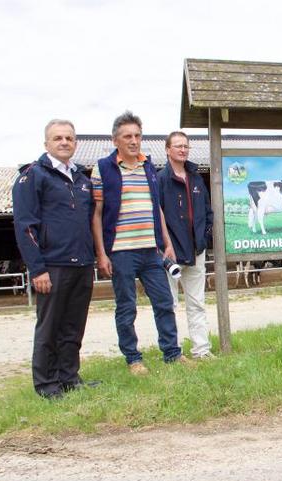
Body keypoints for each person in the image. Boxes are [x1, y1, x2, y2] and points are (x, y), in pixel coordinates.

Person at [91, 111, 190, 375]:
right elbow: (97, 213)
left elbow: (155, 206)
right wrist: (102, 253)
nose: (134, 141)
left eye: (137, 135)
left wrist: (166, 242)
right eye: (128, 137)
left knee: (164, 302)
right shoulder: (102, 168)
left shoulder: (148, 166)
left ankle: (172, 353)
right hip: (121, 252)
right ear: (116, 141)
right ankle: (133, 359)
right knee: (126, 307)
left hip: (151, 250)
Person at [12, 119, 98, 399]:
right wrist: (37, 269)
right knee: (49, 326)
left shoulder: (82, 180)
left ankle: (69, 378)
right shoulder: (33, 176)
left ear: (75, 143)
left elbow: (89, 220)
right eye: (58, 138)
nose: (64, 142)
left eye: (69, 138)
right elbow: (25, 225)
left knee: (73, 326)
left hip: (82, 264)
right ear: (46, 143)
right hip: (52, 266)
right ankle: (47, 385)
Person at [157, 131, 216, 360]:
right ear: (168, 150)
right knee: (168, 304)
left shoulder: (196, 177)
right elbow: (156, 215)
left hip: (196, 250)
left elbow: (207, 212)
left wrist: (204, 237)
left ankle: (201, 350)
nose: (183, 150)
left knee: (197, 303)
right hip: (172, 252)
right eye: (178, 146)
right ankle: (173, 352)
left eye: (186, 146)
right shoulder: (161, 180)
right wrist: (164, 247)